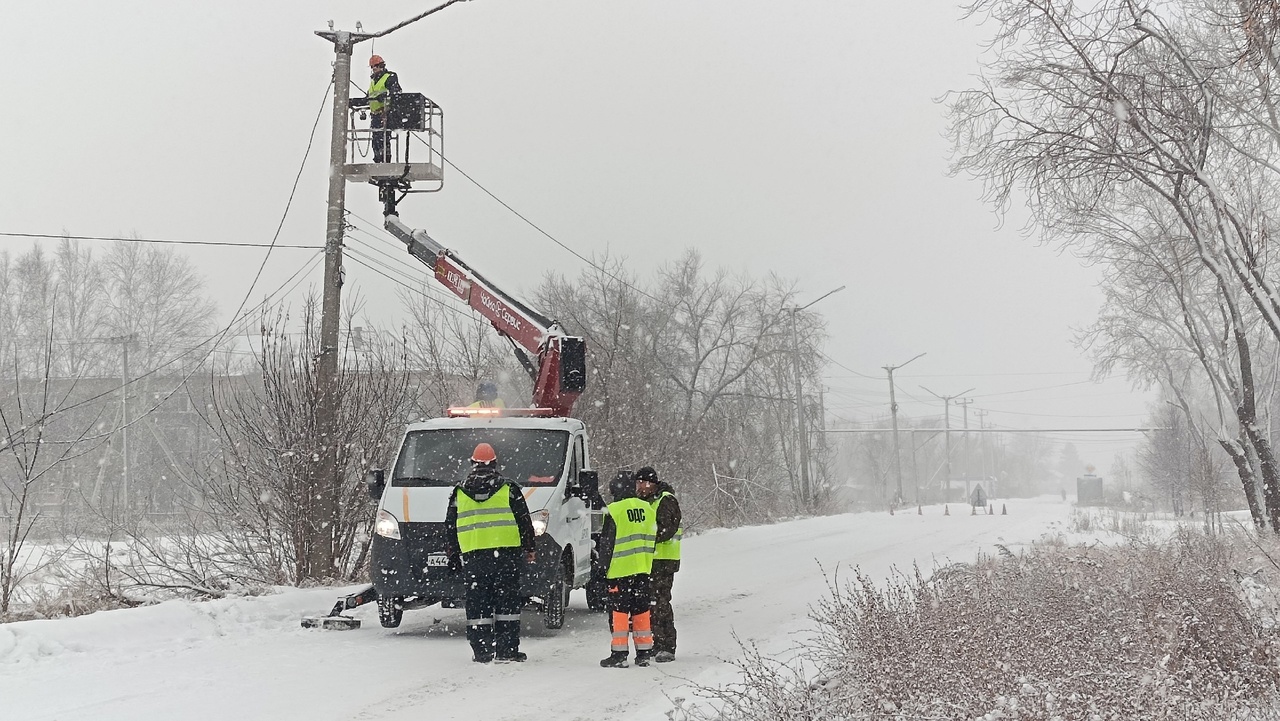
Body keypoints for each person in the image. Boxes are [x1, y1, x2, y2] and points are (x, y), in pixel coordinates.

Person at [445, 442, 537, 663]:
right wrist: (530, 548)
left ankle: (482, 651)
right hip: (506, 556)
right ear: (494, 463)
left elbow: (450, 527)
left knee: (478, 603)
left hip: (474, 558)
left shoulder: (459, 492)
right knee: (507, 603)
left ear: (472, 464)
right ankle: (507, 650)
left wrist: (453, 555)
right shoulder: (509, 489)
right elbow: (524, 521)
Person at [596, 469, 657, 668]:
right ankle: (644, 652)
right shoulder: (647, 509)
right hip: (643, 569)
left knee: (619, 613)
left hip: (619, 571)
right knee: (641, 611)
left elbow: (607, 544)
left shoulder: (615, 510)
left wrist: (601, 570)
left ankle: (619, 655)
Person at [635, 466, 681, 663]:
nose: (639, 487)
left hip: (663, 561)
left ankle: (667, 646)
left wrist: (646, 538)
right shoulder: (646, 501)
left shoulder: (666, 500)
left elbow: (667, 529)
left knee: (661, 603)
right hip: (650, 561)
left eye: (641, 483)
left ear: (651, 483)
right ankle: (657, 643)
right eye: (637, 483)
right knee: (651, 604)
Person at [348, 55, 401, 162]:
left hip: (385, 115)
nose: (374, 68)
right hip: (375, 116)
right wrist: (353, 102)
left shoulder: (389, 77)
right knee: (376, 141)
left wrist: (385, 97)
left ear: (381, 65)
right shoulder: (373, 82)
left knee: (383, 139)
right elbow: (368, 99)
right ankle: (378, 161)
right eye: (372, 67)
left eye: (376, 66)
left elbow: (396, 94)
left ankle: (385, 162)